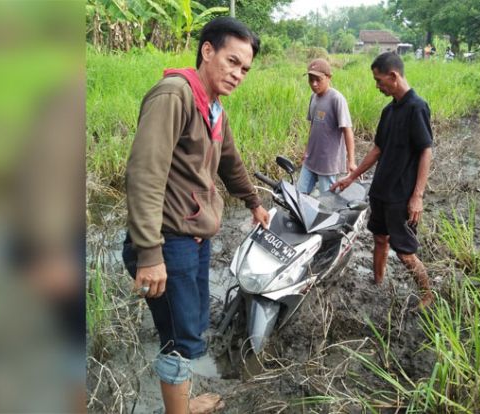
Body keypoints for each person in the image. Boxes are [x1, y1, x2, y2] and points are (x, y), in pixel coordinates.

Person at [122, 17, 269, 414]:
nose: (238, 74)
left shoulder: (214, 107)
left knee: (190, 326)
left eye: (245, 68)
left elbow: (230, 161)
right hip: (167, 243)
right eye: (232, 61)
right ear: (208, 51)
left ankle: (182, 404)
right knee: (179, 335)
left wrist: (253, 202)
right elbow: (144, 174)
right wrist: (149, 254)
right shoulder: (174, 95)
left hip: (192, 239)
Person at [331, 52, 434, 310]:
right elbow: (378, 149)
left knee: (405, 251)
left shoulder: (416, 107)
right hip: (381, 191)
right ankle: (377, 283)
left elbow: (425, 151)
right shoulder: (389, 111)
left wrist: (417, 196)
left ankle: (427, 294)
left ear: (394, 76)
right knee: (379, 238)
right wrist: (351, 177)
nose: (377, 85)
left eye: (379, 80)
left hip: (402, 195)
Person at [297, 58, 357, 194]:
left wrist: (351, 161)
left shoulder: (337, 99)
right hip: (311, 159)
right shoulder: (313, 98)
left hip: (328, 163)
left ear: (329, 77)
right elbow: (313, 126)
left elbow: (347, 131)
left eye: (318, 80)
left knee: (327, 201)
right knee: (299, 195)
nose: (314, 84)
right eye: (311, 80)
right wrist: (306, 151)